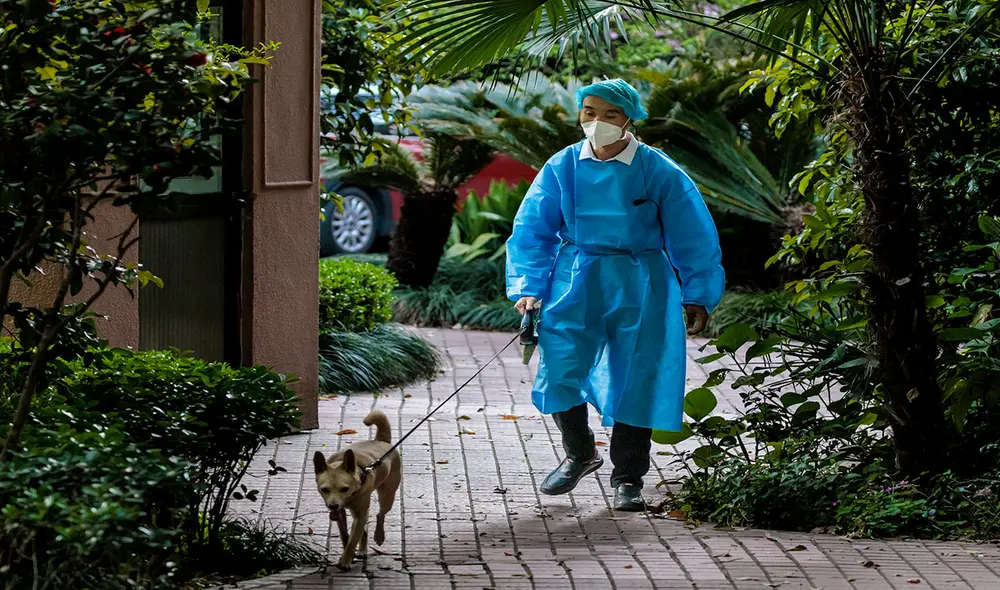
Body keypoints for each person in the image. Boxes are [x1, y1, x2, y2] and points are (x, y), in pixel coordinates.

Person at [505, 79, 725, 512]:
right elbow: (531, 230)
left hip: (643, 280)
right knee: (560, 367)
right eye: (589, 112)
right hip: (575, 279)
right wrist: (529, 288)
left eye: (609, 114)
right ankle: (580, 452)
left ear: (629, 118)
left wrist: (697, 293)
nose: (597, 122)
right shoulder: (562, 166)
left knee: (638, 376)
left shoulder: (658, 170)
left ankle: (628, 478)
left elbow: (693, 235)